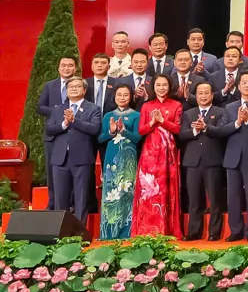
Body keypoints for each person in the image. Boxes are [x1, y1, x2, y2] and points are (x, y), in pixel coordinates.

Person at [210, 71, 248, 241]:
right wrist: (237, 122)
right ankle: (235, 231)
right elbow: (221, 130)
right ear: (238, 86)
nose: (247, 85)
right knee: (233, 198)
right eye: (244, 82)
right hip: (233, 158)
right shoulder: (230, 107)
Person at [132, 74, 183, 237]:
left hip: (168, 152)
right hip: (149, 152)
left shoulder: (176, 105)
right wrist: (152, 123)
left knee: (166, 189)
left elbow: (177, 129)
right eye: (158, 85)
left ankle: (166, 229)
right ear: (153, 87)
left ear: (170, 86)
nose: (161, 88)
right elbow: (141, 131)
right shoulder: (147, 106)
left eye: (164, 85)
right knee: (148, 190)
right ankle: (146, 229)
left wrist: (162, 120)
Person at [47, 76, 101, 224]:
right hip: (60, 159)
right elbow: (49, 129)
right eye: (71, 87)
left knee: (81, 198)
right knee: (60, 199)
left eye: (78, 86)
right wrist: (64, 124)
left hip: (82, 159)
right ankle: (61, 231)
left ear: (84, 90)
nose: (74, 89)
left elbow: (94, 128)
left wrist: (74, 121)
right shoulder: (58, 109)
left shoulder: (93, 108)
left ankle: (79, 232)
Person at [179, 82, 225, 241]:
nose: (203, 96)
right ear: (195, 96)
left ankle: (214, 232)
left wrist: (206, 128)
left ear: (212, 95)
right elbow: (182, 134)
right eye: (200, 93)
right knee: (194, 199)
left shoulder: (220, 112)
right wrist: (195, 130)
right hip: (192, 161)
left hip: (213, 160)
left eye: (206, 93)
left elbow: (222, 132)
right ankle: (194, 231)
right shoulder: (188, 113)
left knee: (214, 199)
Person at [38, 55, 81, 210]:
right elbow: (40, 107)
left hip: (75, 134)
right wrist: (58, 112)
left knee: (74, 170)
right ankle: (53, 204)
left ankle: (72, 204)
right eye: (63, 65)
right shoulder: (50, 86)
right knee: (53, 172)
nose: (66, 68)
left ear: (75, 68)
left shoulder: (80, 85)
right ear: (59, 67)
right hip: (53, 135)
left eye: (70, 65)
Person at [98, 84, 140, 239]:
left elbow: (138, 138)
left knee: (127, 192)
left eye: (126, 95)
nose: (122, 97)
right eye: (119, 95)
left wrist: (123, 131)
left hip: (128, 157)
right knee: (111, 191)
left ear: (131, 97)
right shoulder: (108, 116)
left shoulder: (136, 115)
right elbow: (100, 138)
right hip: (111, 157)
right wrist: (111, 132)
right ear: (114, 97)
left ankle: (126, 232)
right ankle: (108, 232)